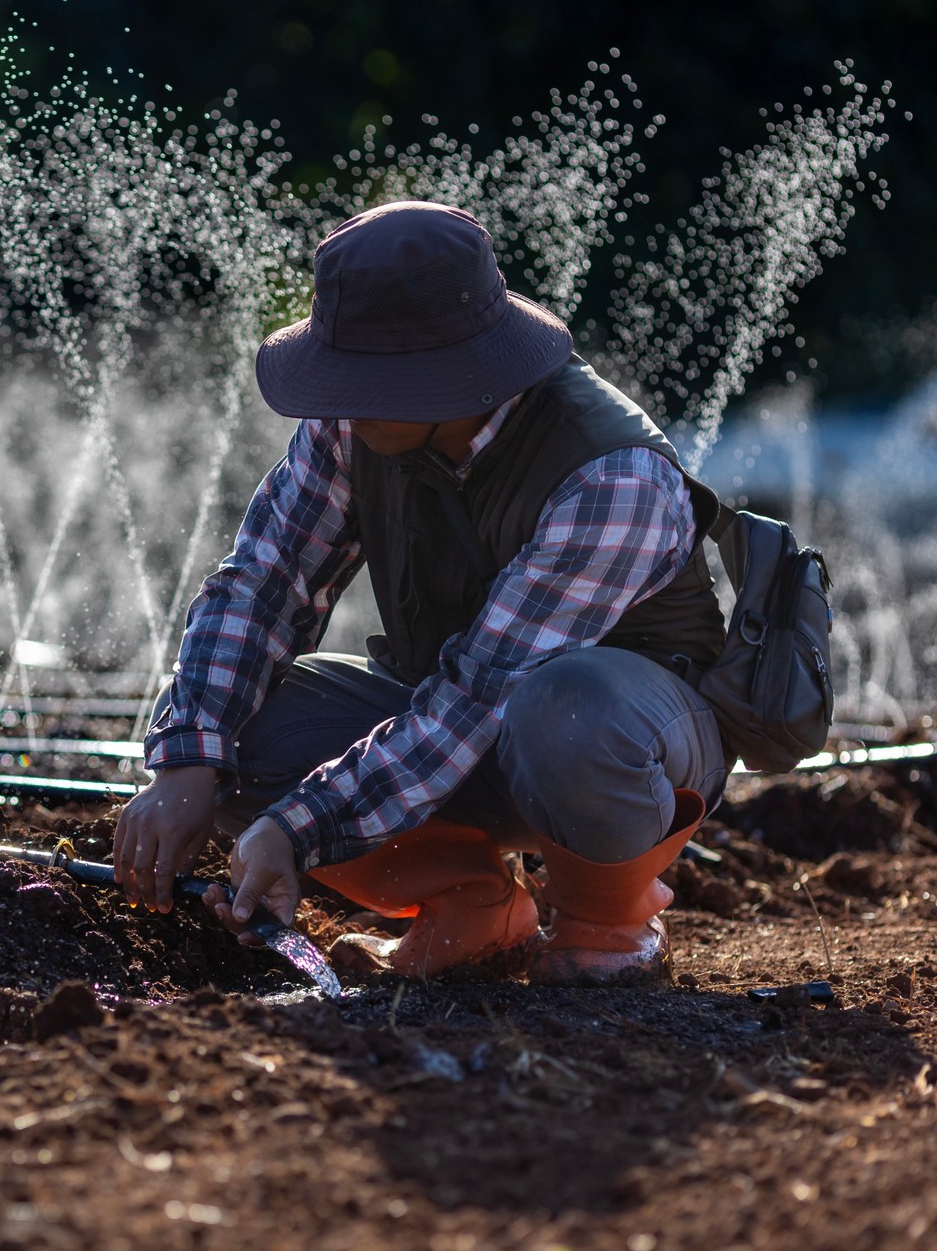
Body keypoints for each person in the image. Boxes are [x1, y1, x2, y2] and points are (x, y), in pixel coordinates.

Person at [114, 200, 732, 984]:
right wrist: (188, 759)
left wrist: (295, 830)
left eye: (366, 377)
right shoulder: (355, 425)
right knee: (247, 724)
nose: (338, 395)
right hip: (454, 722)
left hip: (628, 747)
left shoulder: (609, 477)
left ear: (449, 375)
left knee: (565, 708)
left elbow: (482, 696)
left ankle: (609, 927)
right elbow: (263, 583)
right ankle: (474, 908)